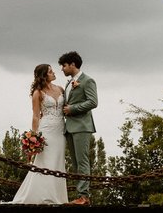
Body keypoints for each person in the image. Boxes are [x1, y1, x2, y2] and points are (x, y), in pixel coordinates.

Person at [5, 64, 69, 204]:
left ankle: (57, 197)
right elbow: (35, 116)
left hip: (60, 130)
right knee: (45, 161)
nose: (53, 73)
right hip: (46, 129)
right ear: (44, 75)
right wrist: (34, 137)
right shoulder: (38, 93)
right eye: (50, 71)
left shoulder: (60, 89)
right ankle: (42, 196)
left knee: (57, 160)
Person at [59, 51, 98, 205]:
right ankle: (80, 195)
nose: (62, 69)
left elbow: (93, 102)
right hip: (69, 127)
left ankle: (84, 197)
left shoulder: (88, 80)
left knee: (82, 162)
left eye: (64, 65)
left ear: (72, 64)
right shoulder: (69, 83)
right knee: (75, 164)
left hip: (82, 126)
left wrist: (73, 109)